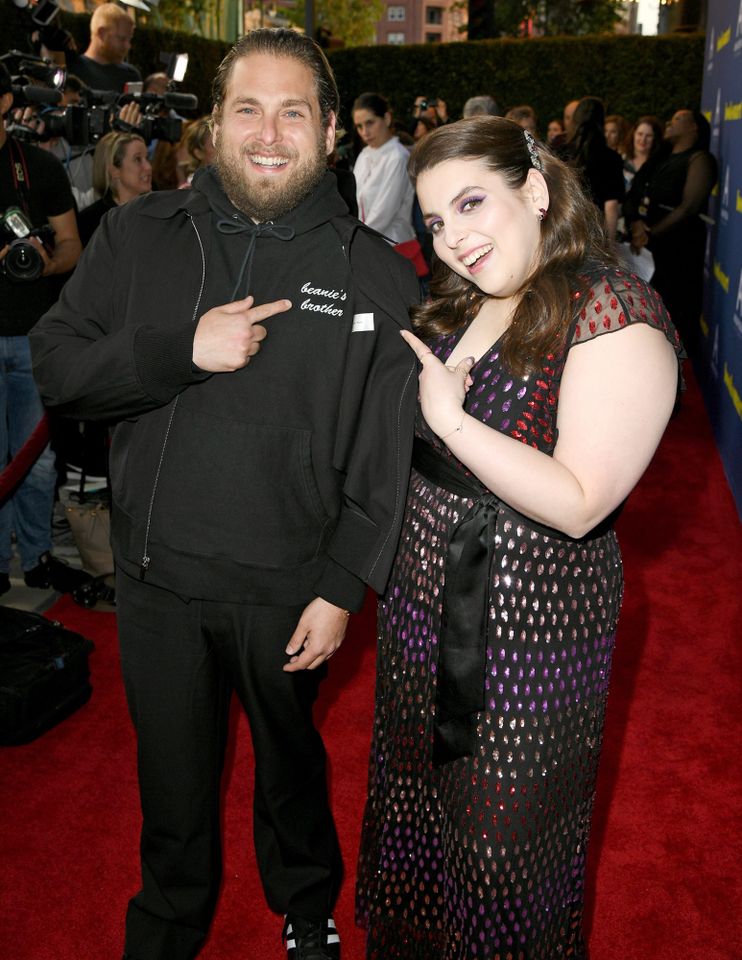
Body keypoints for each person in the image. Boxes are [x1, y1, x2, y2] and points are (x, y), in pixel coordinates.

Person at [31, 28, 419, 960]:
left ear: (331, 130)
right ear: (214, 125)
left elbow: (387, 452)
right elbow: (58, 367)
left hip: (291, 588)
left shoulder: (374, 272)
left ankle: (307, 905)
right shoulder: (138, 234)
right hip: (156, 582)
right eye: (248, 109)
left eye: (294, 112)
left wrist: (342, 584)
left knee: (291, 767)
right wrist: (180, 351)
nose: (269, 134)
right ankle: (169, 923)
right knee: (172, 783)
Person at [355, 116, 683, 959]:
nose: (453, 238)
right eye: (435, 221)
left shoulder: (614, 310)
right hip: (420, 617)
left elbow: (580, 501)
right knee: (421, 827)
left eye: (472, 204)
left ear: (535, 190)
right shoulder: (468, 298)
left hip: (527, 638)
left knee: (502, 856)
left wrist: (452, 424)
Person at [0, 63, 86, 597]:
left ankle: (36, 557)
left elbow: (73, 245)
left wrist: (44, 261)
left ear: (4, 103)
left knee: (36, 462)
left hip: (35, 336)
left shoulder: (38, 167)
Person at [624, 109, 716, 355]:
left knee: (675, 314)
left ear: (694, 127)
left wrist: (650, 233)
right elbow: (635, 193)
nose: (669, 123)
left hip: (679, 251)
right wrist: (635, 224)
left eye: (677, 119)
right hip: (648, 249)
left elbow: (689, 206)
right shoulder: (661, 157)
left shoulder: (700, 159)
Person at [351, 92, 416, 243]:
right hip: (368, 243)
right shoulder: (364, 155)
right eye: (359, 126)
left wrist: (354, 239)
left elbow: (383, 214)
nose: (364, 132)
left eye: (370, 123)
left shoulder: (398, 157)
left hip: (395, 245)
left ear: (386, 118)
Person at [560, 96, 624, 240]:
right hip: (594, 234)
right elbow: (611, 206)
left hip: (563, 230)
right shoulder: (611, 158)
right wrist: (609, 244)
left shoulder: (559, 151)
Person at [77, 130, 152, 245]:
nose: (148, 167)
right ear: (114, 170)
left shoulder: (161, 210)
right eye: (137, 159)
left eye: (147, 158)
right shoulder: (91, 222)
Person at [56, 2, 141, 94]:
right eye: (122, 39)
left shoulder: (131, 76)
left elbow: (137, 101)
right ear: (102, 34)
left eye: (129, 39)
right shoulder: (72, 71)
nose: (128, 46)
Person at [622, 114, 663, 191]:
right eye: (640, 134)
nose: (643, 139)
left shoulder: (659, 166)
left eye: (649, 136)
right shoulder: (621, 161)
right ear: (633, 135)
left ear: (655, 139)